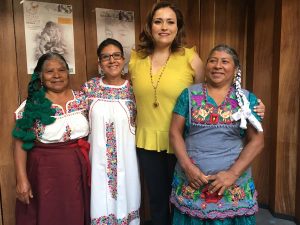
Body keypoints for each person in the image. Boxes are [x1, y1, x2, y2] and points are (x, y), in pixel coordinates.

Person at [128, 1, 265, 225]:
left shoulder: (190, 57)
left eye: (170, 22)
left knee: (185, 197)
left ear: (177, 27)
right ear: (149, 26)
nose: (164, 27)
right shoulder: (136, 59)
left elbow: (217, 85)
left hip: (183, 142)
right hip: (148, 139)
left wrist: (254, 105)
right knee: (158, 201)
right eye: (158, 21)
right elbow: (127, 95)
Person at [169, 44, 264, 225]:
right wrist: (189, 168)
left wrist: (232, 175)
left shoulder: (246, 99)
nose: (217, 65)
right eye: (212, 60)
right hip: (192, 183)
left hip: (233, 186)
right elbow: (174, 133)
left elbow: (257, 141)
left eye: (224, 61)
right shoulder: (188, 95)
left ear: (235, 69)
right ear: (206, 67)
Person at [13, 52, 90, 225]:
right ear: (40, 75)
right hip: (45, 173)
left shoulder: (83, 100)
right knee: (49, 214)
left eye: (61, 70)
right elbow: (19, 143)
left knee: (75, 212)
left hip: (78, 169)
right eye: (50, 72)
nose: (57, 75)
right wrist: (21, 179)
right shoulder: (32, 105)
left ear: (67, 73)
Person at [82, 38, 140, 225]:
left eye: (116, 56)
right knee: (100, 200)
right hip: (98, 159)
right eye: (105, 57)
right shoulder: (89, 88)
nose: (112, 60)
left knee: (128, 195)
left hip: (128, 158)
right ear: (99, 63)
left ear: (123, 60)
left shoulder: (133, 89)